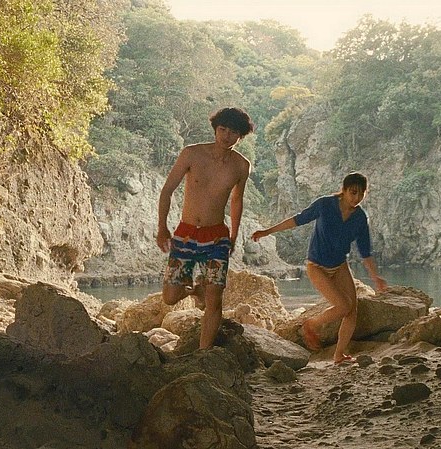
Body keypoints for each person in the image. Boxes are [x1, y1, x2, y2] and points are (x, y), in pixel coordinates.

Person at [251, 172, 387, 364]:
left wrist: (375, 277)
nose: (356, 198)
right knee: (343, 306)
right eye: (353, 192)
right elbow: (298, 219)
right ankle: (311, 324)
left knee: (352, 310)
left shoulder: (359, 217)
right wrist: (267, 231)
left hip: (339, 265)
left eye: (361, 193)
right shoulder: (325, 205)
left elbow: (365, 251)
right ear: (344, 190)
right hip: (317, 266)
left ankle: (339, 355)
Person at [156, 107, 254, 350]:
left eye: (233, 132)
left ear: (240, 136)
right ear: (215, 129)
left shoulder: (241, 166)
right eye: (223, 129)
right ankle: (195, 289)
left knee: (214, 299)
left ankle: (204, 353)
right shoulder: (192, 154)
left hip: (216, 237)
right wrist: (162, 227)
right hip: (186, 234)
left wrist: (234, 235)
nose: (227, 136)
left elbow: (237, 200)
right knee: (170, 297)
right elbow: (167, 190)